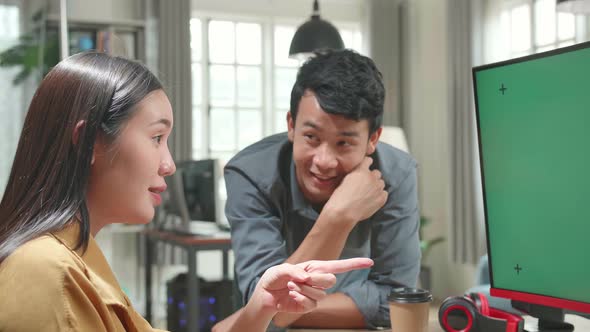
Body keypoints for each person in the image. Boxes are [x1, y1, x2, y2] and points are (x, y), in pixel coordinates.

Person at [0, 52, 374, 332]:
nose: (169, 164)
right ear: (90, 142)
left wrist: (261, 305)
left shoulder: (79, 262)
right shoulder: (47, 273)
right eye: (156, 138)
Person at [221, 49, 421, 330]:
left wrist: (262, 310)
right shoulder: (250, 174)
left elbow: (396, 302)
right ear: (291, 125)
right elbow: (267, 305)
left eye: (344, 143)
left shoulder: (396, 175)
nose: (324, 161)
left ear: (373, 139)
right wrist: (338, 217)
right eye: (311, 137)